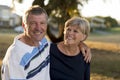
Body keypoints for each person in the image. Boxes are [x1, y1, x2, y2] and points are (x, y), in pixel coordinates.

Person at [1, 5, 91, 80]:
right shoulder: (15, 56)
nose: (38, 28)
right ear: (24, 25)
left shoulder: (44, 43)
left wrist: (81, 43)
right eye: (33, 23)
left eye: (42, 23)